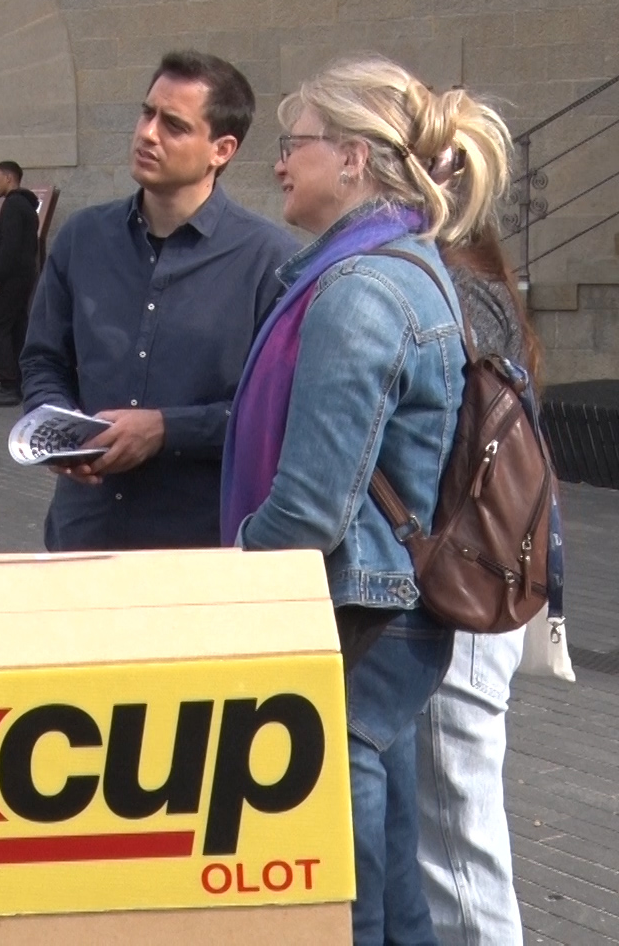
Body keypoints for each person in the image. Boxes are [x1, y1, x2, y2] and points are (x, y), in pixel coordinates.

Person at [219, 56, 512, 945]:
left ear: (352, 159)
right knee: (391, 892)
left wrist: (226, 577)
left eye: (293, 143)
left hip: (354, 618)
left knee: (351, 901)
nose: (278, 162)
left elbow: (310, 509)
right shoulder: (399, 269)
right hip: (382, 616)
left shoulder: (363, 291)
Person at [20, 50, 297, 550]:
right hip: (84, 534)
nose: (148, 133)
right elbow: (42, 360)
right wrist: (58, 430)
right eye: (147, 113)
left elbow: (275, 411)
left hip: (197, 544)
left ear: (222, 149)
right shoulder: (83, 238)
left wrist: (166, 430)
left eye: (174, 125)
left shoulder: (270, 261)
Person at [413, 221, 542, 946]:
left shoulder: (453, 292)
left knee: (459, 852)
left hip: (462, 590)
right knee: (450, 837)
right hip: (477, 581)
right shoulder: (478, 286)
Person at [0, 160, 40, 407]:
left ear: (9, 178)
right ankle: (19, 382)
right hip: (22, 280)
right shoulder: (27, 206)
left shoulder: (13, 205)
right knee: (17, 330)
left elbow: (8, 248)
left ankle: (8, 385)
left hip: (9, 281)